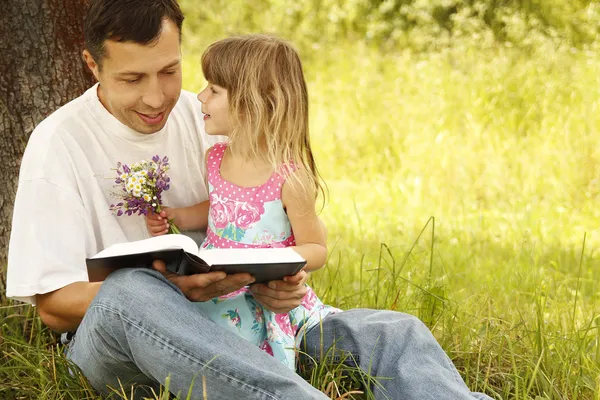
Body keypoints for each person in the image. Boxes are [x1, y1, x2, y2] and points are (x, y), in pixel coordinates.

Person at [5, 0, 493, 399]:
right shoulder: (59, 143)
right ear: (93, 65)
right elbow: (54, 304)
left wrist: (281, 278)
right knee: (134, 288)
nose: (158, 98)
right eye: (132, 80)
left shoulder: (209, 116)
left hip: (241, 313)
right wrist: (176, 291)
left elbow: (271, 213)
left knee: (392, 333)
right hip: (120, 339)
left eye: (170, 71)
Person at [145, 34, 340, 371]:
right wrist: (177, 215)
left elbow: (316, 248)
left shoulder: (289, 178)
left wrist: (272, 262)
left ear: (253, 104)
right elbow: (217, 208)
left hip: (262, 293)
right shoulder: (216, 157)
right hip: (216, 285)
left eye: (214, 90)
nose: (200, 97)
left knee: (240, 360)